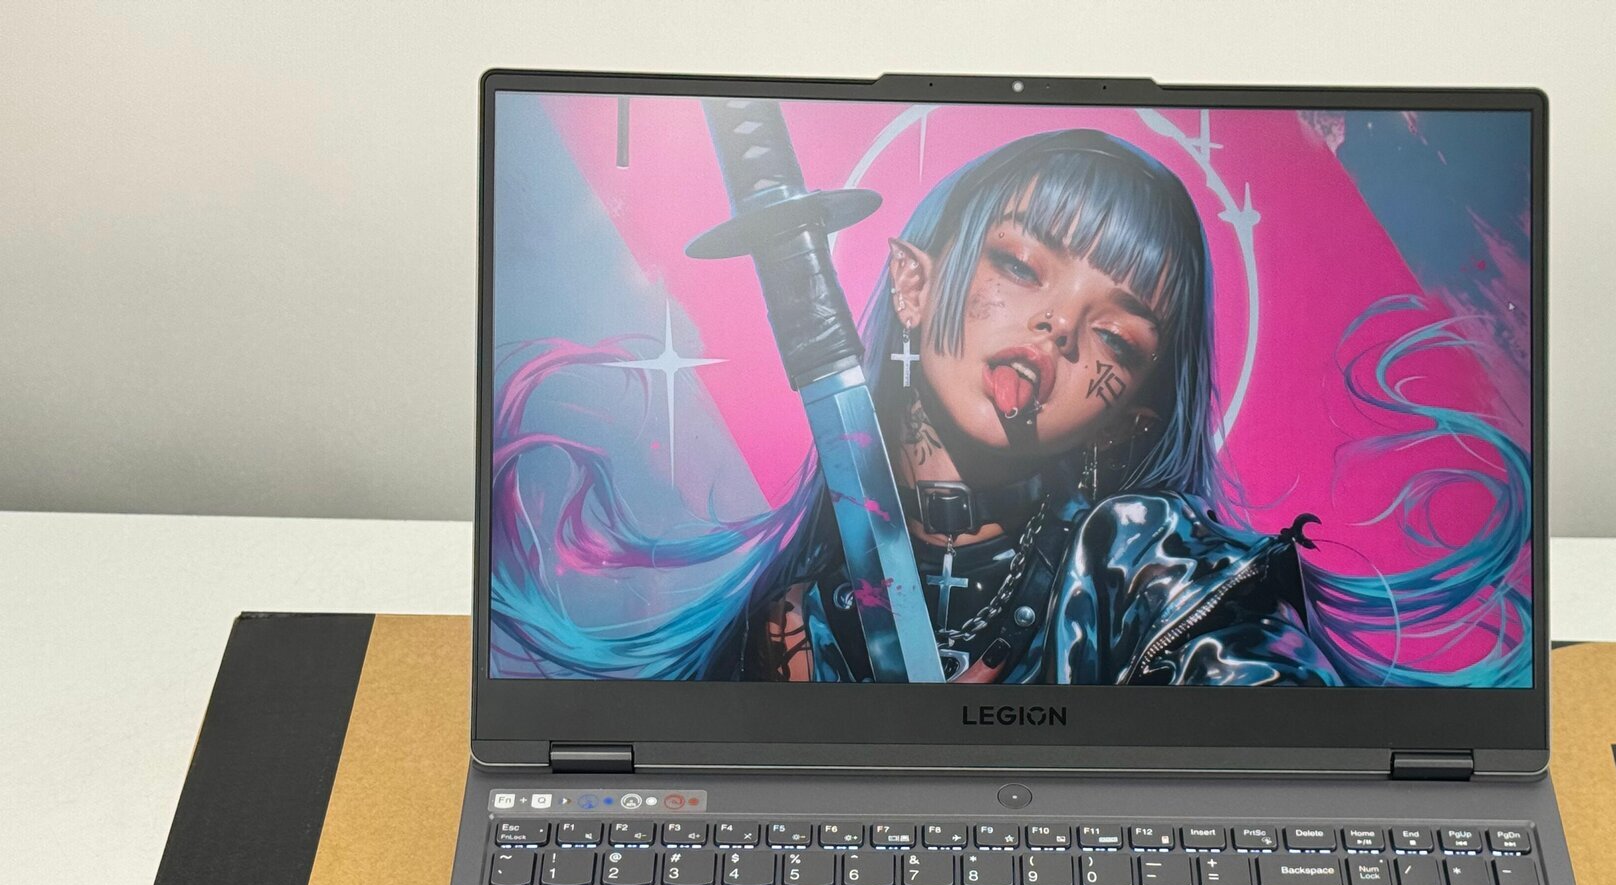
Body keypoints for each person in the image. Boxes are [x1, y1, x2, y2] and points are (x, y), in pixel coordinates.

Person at [492, 127, 1529, 687]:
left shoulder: (1152, 568)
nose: (1058, 329)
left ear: (1133, 412)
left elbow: (1264, 736)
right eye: (1021, 266)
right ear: (911, 282)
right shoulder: (794, 623)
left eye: (1116, 338)